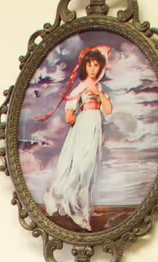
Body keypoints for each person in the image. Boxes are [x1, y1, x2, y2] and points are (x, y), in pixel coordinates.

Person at [42, 46, 113, 231]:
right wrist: (72, 117)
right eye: (89, 64)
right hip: (84, 128)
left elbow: (108, 109)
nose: (92, 68)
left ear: (100, 67)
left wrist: (99, 94)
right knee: (81, 167)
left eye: (96, 65)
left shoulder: (99, 87)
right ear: (85, 66)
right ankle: (78, 212)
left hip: (95, 128)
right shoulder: (80, 87)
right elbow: (69, 113)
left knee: (89, 169)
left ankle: (85, 210)